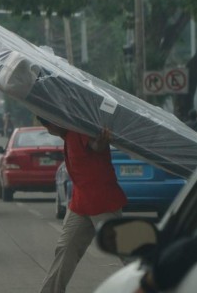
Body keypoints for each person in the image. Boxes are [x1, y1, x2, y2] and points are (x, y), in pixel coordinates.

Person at [37, 116, 127, 293]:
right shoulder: (68, 136)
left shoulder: (79, 129)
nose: (50, 132)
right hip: (80, 203)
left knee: (125, 251)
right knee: (65, 249)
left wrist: (101, 141)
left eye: (48, 127)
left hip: (102, 201)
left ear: (55, 121)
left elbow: (96, 145)